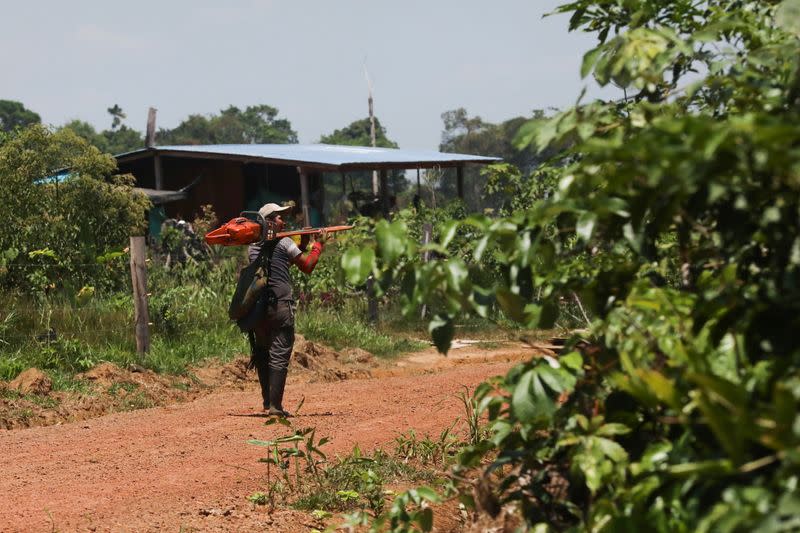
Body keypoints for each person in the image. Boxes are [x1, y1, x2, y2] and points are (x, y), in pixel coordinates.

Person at [247, 202, 327, 416]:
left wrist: (302, 245)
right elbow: (307, 266)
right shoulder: (284, 243)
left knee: (263, 353)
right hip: (281, 306)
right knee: (279, 354)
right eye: (280, 217)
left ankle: (267, 402)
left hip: (259, 309)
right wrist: (318, 245)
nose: (284, 221)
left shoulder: (253, 247)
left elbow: (280, 263)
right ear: (270, 222)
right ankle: (275, 406)